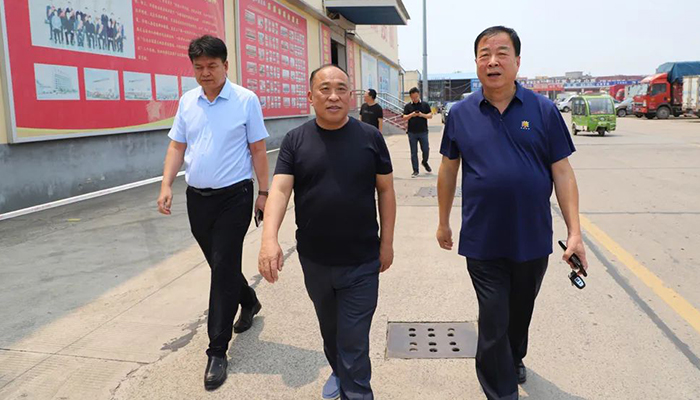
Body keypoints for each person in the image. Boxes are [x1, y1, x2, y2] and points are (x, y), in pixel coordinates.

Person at [436, 26, 589, 400]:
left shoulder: (543, 110)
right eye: (484, 54)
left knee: (520, 312)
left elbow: (562, 172)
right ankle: (501, 391)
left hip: (531, 236)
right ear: (476, 62)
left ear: (517, 62)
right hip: (482, 237)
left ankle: (514, 356)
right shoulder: (461, 113)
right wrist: (443, 222)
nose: (493, 61)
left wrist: (575, 232)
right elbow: (448, 169)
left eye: (502, 53)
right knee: (493, 319)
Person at [258, 64, 396, 400]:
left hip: (361, 260)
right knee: (331, 331)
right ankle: (338, 370)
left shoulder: (370, 138)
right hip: (315, 260)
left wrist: (387, 243)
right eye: (325, 89)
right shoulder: (295, 140)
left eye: (341, 89)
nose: (333, 96)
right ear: (310, 96)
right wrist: (269, 239)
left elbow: (386, 191)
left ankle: (355, 390)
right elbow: (280, 190)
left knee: (354, 342)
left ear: (350, 96)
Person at [157, 35, 270, 391]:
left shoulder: (245, 100)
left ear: (225, 65)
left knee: (222, 268)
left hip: (235, 197)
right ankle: (248, 300)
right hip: (197, 199)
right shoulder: (188, 101)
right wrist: (166, 184)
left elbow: (258, 149)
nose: (205, 73)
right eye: (199, 67)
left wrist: (264, 193)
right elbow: (177, 146)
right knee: (220, 264)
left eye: (212, 66)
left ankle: (217, 350)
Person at [402, 87, 433, 178]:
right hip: (412, 132)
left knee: (426, 149)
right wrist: (412, 114)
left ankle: (424, 162)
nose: (415, 99)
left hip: (423, 131)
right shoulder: (408, 106)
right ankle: (415, 170)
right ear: (410, 97)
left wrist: (421, 114)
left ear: (419, 95)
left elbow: (430, 115)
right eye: (413, 97)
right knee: (413, 152)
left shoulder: (425, 105)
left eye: (416, 97)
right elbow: (404, 117)